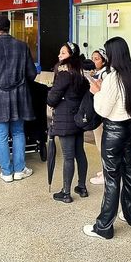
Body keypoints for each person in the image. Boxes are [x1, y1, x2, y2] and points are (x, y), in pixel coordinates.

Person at [83, 36, 131, 240]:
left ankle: (104, 227)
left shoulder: (113, 77)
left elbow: (102, 109)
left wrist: (97, 91)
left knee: (112, 178)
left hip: (115, 130)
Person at [0, 14, 37, 183]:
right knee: (19, 132)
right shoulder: (22, 46)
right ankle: (19, 170)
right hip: (19, 95)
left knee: (1, 134)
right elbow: (31, 74)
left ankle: (6, 172)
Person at [47, 42, 89, 203]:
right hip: (78, 117)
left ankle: (66, 192)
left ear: (70, 55)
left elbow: (52, 98)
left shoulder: (65, 73)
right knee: (80, 152)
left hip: (65, 118)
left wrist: (50, 95)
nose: (59, 56)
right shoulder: (80, 72)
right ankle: (82, 187)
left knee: (68, 156)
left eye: (63, 53)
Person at [88, 48, 109, 185]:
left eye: (97, 59)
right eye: (93, 58)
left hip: (102, 114)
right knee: (99, 142)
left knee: (102, 143)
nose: (94, 61)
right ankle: (105, 169)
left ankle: (107, 173)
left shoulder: (106, 74)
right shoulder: (97, 73)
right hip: (97, 112)